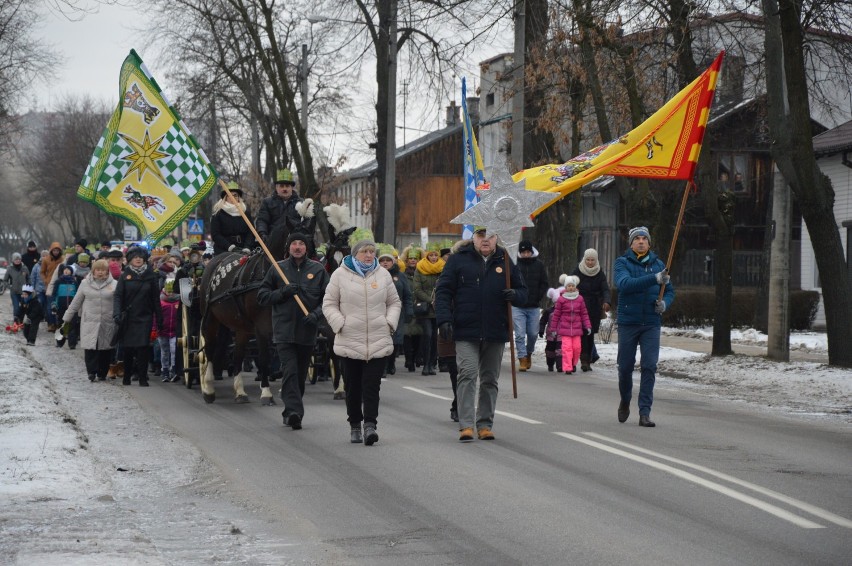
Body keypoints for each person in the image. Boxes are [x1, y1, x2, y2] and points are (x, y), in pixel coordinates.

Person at [435, 227, 527, 442]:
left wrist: (515, 294)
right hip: (466, 328)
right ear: (473, 238)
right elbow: (443, 291)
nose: (485, 240)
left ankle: (485, 424)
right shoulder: (458, 260)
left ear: (496, 239)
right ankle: (466, 424)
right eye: (480, 236)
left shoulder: (505, 260)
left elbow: (523, 291)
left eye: (491, 236)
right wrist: (444, 319)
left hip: (495, 329)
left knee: (489, 379)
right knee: (467, 373)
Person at [322, 238, 401, 445]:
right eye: (364, 252)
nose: (369, 255)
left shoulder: (383, 275)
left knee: (372, 386)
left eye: (372, 252)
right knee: (353, 386)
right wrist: (340, 324)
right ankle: (355, 424)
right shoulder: (340, 275)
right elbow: (329, 304)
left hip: (378, 339)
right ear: (355, 254)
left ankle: (370, 425)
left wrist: (389, 323)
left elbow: (394, 302)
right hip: (350, 339)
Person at [258, 232, 329, 430]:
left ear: (307, 248)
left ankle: (290, 407)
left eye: (301, 244)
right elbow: (262, 297)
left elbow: (329, 299)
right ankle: (294, 413)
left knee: (299, 374)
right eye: (294, 244)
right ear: (288, 247)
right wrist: (282, 292)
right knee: (289, 370)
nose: (297, 247)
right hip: (284, 331)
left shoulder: (318, 270)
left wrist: (316, 315)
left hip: (307, 331)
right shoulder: (277, 269)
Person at [614, 226, 674, 428]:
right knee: (625, 367)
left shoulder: (659, 265)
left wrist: (665, 303)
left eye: (644, 239)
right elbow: (625, 284)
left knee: (649, 366)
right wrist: (654, 278)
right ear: (631, 244)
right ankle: (625, 399)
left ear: (649, 243)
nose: (641, 241)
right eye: (637, 239)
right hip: (628, 322)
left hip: (651, 323)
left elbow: (669, 291)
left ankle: (645, 412)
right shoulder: (622, 263)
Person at [113, 246, 163, 387]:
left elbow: (155, 299)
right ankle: (127, 377)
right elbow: (118, 296)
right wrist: (116, 313)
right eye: (135, 257)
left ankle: (142, 377)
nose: (138, 259)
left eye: (140, 257)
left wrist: (159, 317)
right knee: (128, 348)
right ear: (129, 260)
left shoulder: (150, 275)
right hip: (128, 317)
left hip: (145, 317)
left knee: (143, 348)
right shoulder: (124, 276)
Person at [62, 259, 117, 381]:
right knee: (90, 347)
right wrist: (67, 318)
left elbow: (119, 302)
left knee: (105, 348)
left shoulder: (114, 284)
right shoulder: (85, 283)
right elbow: (76, 302)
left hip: (107, 320)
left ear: (107, 271)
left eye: (103, 270)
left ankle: (102, 373)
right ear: (93, 271)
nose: (100, 272)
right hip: (89, 320)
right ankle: (91, 372)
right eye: (98, 270)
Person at [255, 168, 315, 248]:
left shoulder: (302, 203)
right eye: (281, 186)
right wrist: (262, 234)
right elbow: (262, 220)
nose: (284, 189)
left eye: (287, 186)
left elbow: (308, 222)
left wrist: (302, 236)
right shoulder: (267, 202)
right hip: (272, 242)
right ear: (276, 187)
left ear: (291, 188)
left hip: (295, 242)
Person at [513, 239, 549, 371]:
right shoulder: (514, 264)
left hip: (533, 306)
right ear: (520, 253)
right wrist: (514, 296)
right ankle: (522, 358)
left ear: (531, 252)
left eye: (528, 252)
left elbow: (544, 283)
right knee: (520, 334)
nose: (526, 254)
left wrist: (538, 296)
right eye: (523, 252)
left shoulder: (539, 265)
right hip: (517, 306)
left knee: (533, 333)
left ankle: (528, 353)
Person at [572, 248, 611, 371]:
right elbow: (570, 284)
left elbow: (605, 289)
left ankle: (588, 358)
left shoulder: (600, 273)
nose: (590, 262)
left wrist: (606, 301)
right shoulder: (578, 270)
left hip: (594, 307)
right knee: (583, 333)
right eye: (588, 260)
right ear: (584, 259)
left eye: (592, 260)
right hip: (580, 306)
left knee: (590, 334)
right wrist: (573, 291)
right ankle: (584, 360)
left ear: (596, 260)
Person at [378, 244, 412, 376]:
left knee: (395, 340)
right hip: (380, 311)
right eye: (382, 260)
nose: (385, 263)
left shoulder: (400, 276)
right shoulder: (374, 275)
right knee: (382, 339)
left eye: (388, 260)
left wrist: (409, 311)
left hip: (398, 313)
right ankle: (384, 366)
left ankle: (391, 362)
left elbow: (408, 295)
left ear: (393, 262)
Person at [412, 243, 445, 375]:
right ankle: (426, 363)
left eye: (435, 255)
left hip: (439, 307)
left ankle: (432, 363)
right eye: (431, 255)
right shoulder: (420, 268)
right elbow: (417, 289)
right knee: (428, 334)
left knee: (436, 338)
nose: (433, 258)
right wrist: (430, 300)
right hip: (426, 308)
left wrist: (439, 300)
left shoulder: (443, 268)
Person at [549, 275, 591, 374]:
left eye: (572, 285)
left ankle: (573, 363)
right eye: (569, 286)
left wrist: (587, 325)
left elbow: (584, 313)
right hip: (565, 329)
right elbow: (556, 315)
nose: (571, 287)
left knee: (577, 349)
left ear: (575, 287)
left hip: (577, 329)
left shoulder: (580, 299)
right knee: (567, 349)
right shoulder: (561, 299)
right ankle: (567, 368)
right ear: (565, 287)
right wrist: (553, 329)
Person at [211, 181, 256, 256]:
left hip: (244, 250)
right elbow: (215, 235)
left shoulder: (245, 213)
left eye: (235, 195)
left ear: (238, 198)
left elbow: (251, 232)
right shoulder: (218, 214)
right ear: (225, 198)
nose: (233, 198)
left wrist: (247, 247)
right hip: (223, 251)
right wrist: (230, 247)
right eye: (229, 195)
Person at [400, 245, 423, 371]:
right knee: (407, 334)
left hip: (420, 308)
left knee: (418, 335)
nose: (413, 260)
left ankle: (415, 357)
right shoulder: (403, 275)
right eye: (411, 258)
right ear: (407, 260)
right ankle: (409, 360)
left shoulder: (422, 273)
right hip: (407, 308)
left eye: (415, 258)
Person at [51, 265, 79, 349]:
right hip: (61, 306)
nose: (66, 271)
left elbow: (78, 294)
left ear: (71, 272)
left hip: (72, 307)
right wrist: (54, 304)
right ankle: (59, 342)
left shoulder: (74, 282)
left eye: (68, 270)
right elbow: (54, 294)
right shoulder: (58, 281)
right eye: (65, 270)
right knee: (60, 324)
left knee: (73, 324)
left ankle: (72, 344)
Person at [158, 279, 180, 382]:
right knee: (164, 351)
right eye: (168, 291)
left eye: (172, 292)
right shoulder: (161, 301)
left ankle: (174, 369)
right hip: (163, 331)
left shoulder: (178, 301)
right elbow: (156, 316)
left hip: (174, 331)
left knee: (174, 350)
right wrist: (155, 328)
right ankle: (165, 370)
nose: (170, 294)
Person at [41, 242, 66, 332]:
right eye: (54, 250)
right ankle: (51, 323)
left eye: (57, 250)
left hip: (61, 286)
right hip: (50, 285)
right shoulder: (46, 260)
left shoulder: (63, 260)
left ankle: (58, 323)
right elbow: (42, 272)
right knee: (50, 306)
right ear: (51, 250)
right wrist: (45, 280)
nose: (56, 252)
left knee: (59, 305)